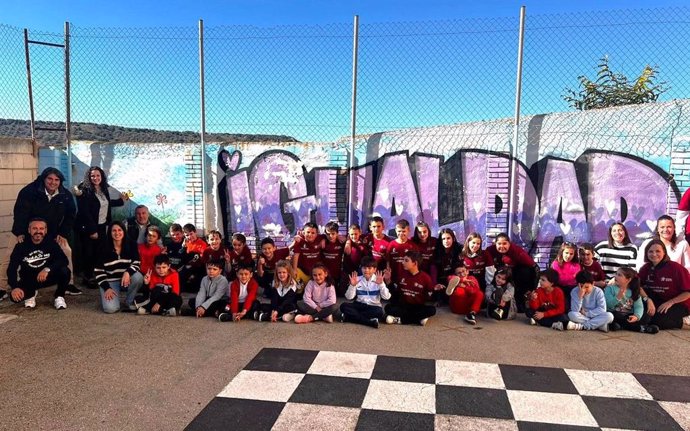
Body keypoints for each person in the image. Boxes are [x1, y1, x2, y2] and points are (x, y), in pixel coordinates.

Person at [4, 167, 80, 296]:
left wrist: (62, 233)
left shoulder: (65, 195)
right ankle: (3, 287)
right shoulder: (29, 191)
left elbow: (71, 215)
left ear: (60, 182)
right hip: (27, 230)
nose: (53, 182)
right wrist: (20, 232)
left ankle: (68, 283)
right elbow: (20, 212)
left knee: (66, 250)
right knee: (10, 254)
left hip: (51, 232)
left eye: (57, 180)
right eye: (50, 178)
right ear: (43, 178)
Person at [74, 166, 127, 286]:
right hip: (88, 227)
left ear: (102, 177)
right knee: (88, 253)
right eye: (92, 176)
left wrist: (121, 201)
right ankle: (87, 277)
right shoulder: (85, 190)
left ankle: (96, 275)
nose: (95, 178)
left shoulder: (103, 188)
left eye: (98, 175)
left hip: (102, 226)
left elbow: (105, 203)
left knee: (99, 252)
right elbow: (84, 211)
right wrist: (92, 230)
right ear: (89, 177)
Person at [7, 218, 71, 310]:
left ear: (45, 230)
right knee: (15, 298)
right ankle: (31, 293)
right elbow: (11, 268)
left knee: (65, 271)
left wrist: (47, 269)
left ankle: (59, 296)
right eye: (34, 228)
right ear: (29, 230)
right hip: (29, 280)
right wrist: (14, 287)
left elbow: (63, 260)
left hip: (46, 276)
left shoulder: (51, 243)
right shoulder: (20, 246)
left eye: (41, 229)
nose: (38, 231)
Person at [638, 239, 690, 330]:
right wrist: (648, 300)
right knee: (645, 318)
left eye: (658, 251)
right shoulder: (646, 268)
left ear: (664, 252)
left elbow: (688, 292)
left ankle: (679, 321)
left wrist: (671, 302)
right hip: (658, 300)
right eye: (650, 251)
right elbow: (637, 285)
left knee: (658, 322)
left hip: (679, 302)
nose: (654, 254)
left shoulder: (676, 268)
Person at [94, 221, 144, 313]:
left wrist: (128, 272)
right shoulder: (103, 247)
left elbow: (136, 262)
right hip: (110, 281)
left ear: (124, 231)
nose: (117, 233)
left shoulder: (132, 244)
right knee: (110, 309)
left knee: (138, 277)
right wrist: (107, 288)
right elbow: (98, 271)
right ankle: (110, 296)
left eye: (119, 230)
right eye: (114, 231)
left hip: (126, 280)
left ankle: (129, 302)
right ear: (110, 232)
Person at [487, 233, 538, 313]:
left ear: (509, 244)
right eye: (499, 244)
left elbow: (534, 267)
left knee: (525, 271)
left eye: (504, 243)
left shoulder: (517, 252)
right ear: (495, 244)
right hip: (498, 276)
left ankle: (519, 301)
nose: (502, 246)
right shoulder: (490, 250)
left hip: (516, 276)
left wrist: (533, 288)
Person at [384, 250, 439, 326]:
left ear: (415, 263)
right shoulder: (401, 275)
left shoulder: (426, 278)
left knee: (432, 310)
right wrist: (388, 281)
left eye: (406, 261)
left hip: (417, 306)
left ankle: (398, 320)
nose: (403, 263)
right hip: (403, 306)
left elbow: (429, 296)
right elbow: (394, 295)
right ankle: (418, 319)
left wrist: (435, 290)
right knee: (388, 308)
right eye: (403, 260)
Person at [340, 256, 391, 328]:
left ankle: (349, 318)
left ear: (374, 269)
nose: (366, 270)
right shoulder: (357, 279)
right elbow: (349, 297)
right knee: (343, 306)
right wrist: (352, 285)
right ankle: (369, 322)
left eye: (369, 268)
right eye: (364, 268)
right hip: (359, 305)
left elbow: (386, 297)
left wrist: (381, 284)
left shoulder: (379, 280)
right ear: (361, 268)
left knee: (379, 312)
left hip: (373, 306)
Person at [604, 267, 659, 334]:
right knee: (612, 315)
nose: (615, 276)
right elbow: (608, 305)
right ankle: (641, 328)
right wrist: (618, 297)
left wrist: (636, 316)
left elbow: (639, 306)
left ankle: (619, 325)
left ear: (628, 280)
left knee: (646, 316)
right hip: (615, 313)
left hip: (628, 315)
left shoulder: (634, 291)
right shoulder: (609, 289)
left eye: (619, 275)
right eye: (616, 274)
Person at [430, 228, 462, 304]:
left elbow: (461, 266)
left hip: (455, 277)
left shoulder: (459, 248)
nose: (446, 241)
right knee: (438, 295)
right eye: (443, 239)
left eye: (448, 238)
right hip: (441, 279)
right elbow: (433, 267)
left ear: (453, 238)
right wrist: (435, 283)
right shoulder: (437, 250)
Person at [291, 222, 324, 287]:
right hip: (302, 271)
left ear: (317, 234)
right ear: (303, 232)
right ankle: (300, 291)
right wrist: (294, 270)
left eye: (313, 233)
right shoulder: (299, 240)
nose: (310, 235)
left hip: (315, 274)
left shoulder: (321, 238)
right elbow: (296, 255)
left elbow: (329, 236)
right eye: (308, 232)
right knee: (295, 276)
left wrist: (324, 240)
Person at [386, 219, 418, 285]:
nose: (401, 233)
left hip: (408, 280)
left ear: (408, 230)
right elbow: (388, 262)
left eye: (404, 231)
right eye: (399, 231)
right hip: (393, 279)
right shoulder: (391, 245)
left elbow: (416, 264)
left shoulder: (413, 246)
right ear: (395, 230)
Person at [551, 242, 581, 309]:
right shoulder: (556, 264)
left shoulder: (576, 265)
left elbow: (577, 279)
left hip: (572, 289)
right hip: (559, 288)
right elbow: (560, 279)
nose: (568, 256)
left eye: (571, 254)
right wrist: (573, 277)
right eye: (566, 253)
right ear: (562, 252)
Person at [179, 223, 207, 292]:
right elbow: (181, 257)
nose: (189, 236)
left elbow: (202, 259)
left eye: (191, 234)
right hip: (188, 267)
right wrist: (183, 247)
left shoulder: (202, 243)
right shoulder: (186, 243)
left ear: (195, 232)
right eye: (187, 235)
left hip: (198, 267)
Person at [321, 221, 345, 295]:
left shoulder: (341, 242)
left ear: (337, 233)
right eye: (328, 234)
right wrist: (323, 238)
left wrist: (347, 241)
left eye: (333, 234)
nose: (330, 236)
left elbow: (350, 238)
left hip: (337, 274)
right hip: (324, 275)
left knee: (338, 293)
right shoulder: (323, 241)